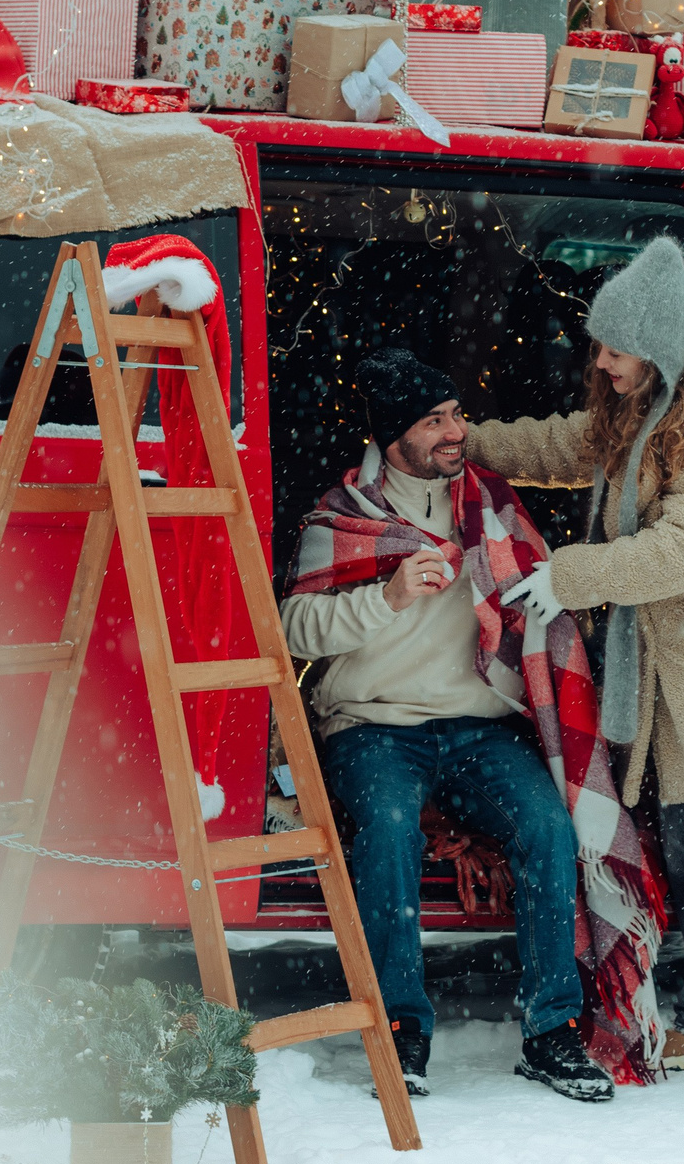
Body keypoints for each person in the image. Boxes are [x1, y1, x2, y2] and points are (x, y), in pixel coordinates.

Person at [475, 237, 684, 1089]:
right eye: (600, 345)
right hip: (677, 682)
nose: (603, 362)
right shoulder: (640, 416)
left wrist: (570, 574)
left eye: (616, 349)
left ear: (660, 349)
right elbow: (565, 447)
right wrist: (464, 441)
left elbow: (681, 553)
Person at [281, 349, 661, 1103]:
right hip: (373, 724)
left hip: (478, 728)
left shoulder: (491, 506)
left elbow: (538, 604)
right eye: (436, 421)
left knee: (549, 828)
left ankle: (552, 1030)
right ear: (395, 439)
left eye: (456, 414)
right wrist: (385, 598)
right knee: (386, 829)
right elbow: (292, 629)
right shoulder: (343, 515)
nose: (458, 431)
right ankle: (402, 1028)